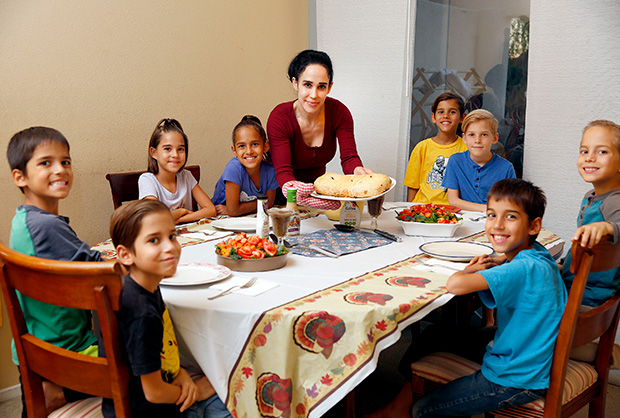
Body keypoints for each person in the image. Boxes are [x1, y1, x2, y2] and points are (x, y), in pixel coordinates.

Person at [368, 179, 567, 418]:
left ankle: (409, 408)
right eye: (491, 215)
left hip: (515, 377)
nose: (498, 225)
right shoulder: (538, 255)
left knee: (423, 410)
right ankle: (398, 406)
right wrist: (501, 260)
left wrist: (468, 271)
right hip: (527, 353)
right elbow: (517, 267)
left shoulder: (520, 270)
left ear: (534, 226)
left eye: (511, 217)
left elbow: (456, 284)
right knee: (434, 336)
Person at [105, 199, 231, 418]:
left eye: (172, 236)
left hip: (161, 388)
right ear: (125, 255)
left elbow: (163, 351)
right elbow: (154, 393)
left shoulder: (148, 285)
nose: (170, 247)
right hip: (148, 410)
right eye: (154, 240)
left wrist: (180, 373)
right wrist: (197, 392)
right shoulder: (141, 312)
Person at [7, 127, 102, 416]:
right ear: (20, 177)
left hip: (41, 344)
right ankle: (65, 390)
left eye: (66, 161)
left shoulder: (24, 219)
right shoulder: (47, 226)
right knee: (154, 348)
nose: (60, 169)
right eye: (46, 162)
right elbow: (102, 273)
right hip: (69, 351)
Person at [267, 49, 373, 209]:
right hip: (278, 195)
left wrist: (359, 172)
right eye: (307, 85)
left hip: (317, 195)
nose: (314, 94)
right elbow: (283, 171)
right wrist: (298, 194)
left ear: (329, 87)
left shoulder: (339, 112)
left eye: (321, 87)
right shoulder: (280, 117)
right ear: (295, 83)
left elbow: (349, 158)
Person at [562, 120, 620, 368]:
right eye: (584, 151)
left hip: (586, 293)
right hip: (579, 285)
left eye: (602, 151)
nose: (590, 157)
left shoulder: (615, 201)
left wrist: (607, 227)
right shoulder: (593, 197)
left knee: (522, 286)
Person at [139, 118, 216, 224]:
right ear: (154, 153)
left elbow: (211, 210)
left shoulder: (187, 176)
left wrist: (179, 219)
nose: (175, 155)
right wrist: (181, 211)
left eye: (180, 149)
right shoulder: (147, 180)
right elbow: (156, 218)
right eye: (167, 149)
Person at [442, 109, 516, 212]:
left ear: (494, 138)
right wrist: (487, 209)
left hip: (493, 219)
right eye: (472, 135)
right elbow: (453, 200)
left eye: (484, 135)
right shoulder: (456, 161)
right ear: (464, 138)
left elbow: (508, 203)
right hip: (463, 219)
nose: (477, 140)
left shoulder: (506, 168)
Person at [403, 92, 468, 204]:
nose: (446, 116)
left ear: (462, 117)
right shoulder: (422, 147)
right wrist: (412, 210)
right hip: (424, 210)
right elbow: (413, 186)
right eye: (441, 112)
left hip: (453, 211)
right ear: (433, 117)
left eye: (452, 112)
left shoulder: (467, 148)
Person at [212, 115, 279, 216]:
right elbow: (233, 211)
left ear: (265, 146)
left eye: (255, 144)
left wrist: (237, 209)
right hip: (219, 217)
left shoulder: (270, 172)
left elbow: (269, 204)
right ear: (234, 150)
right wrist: (261, 204)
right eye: (242, 146)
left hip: (247, 217)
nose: (249, 151)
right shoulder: (234, 168)